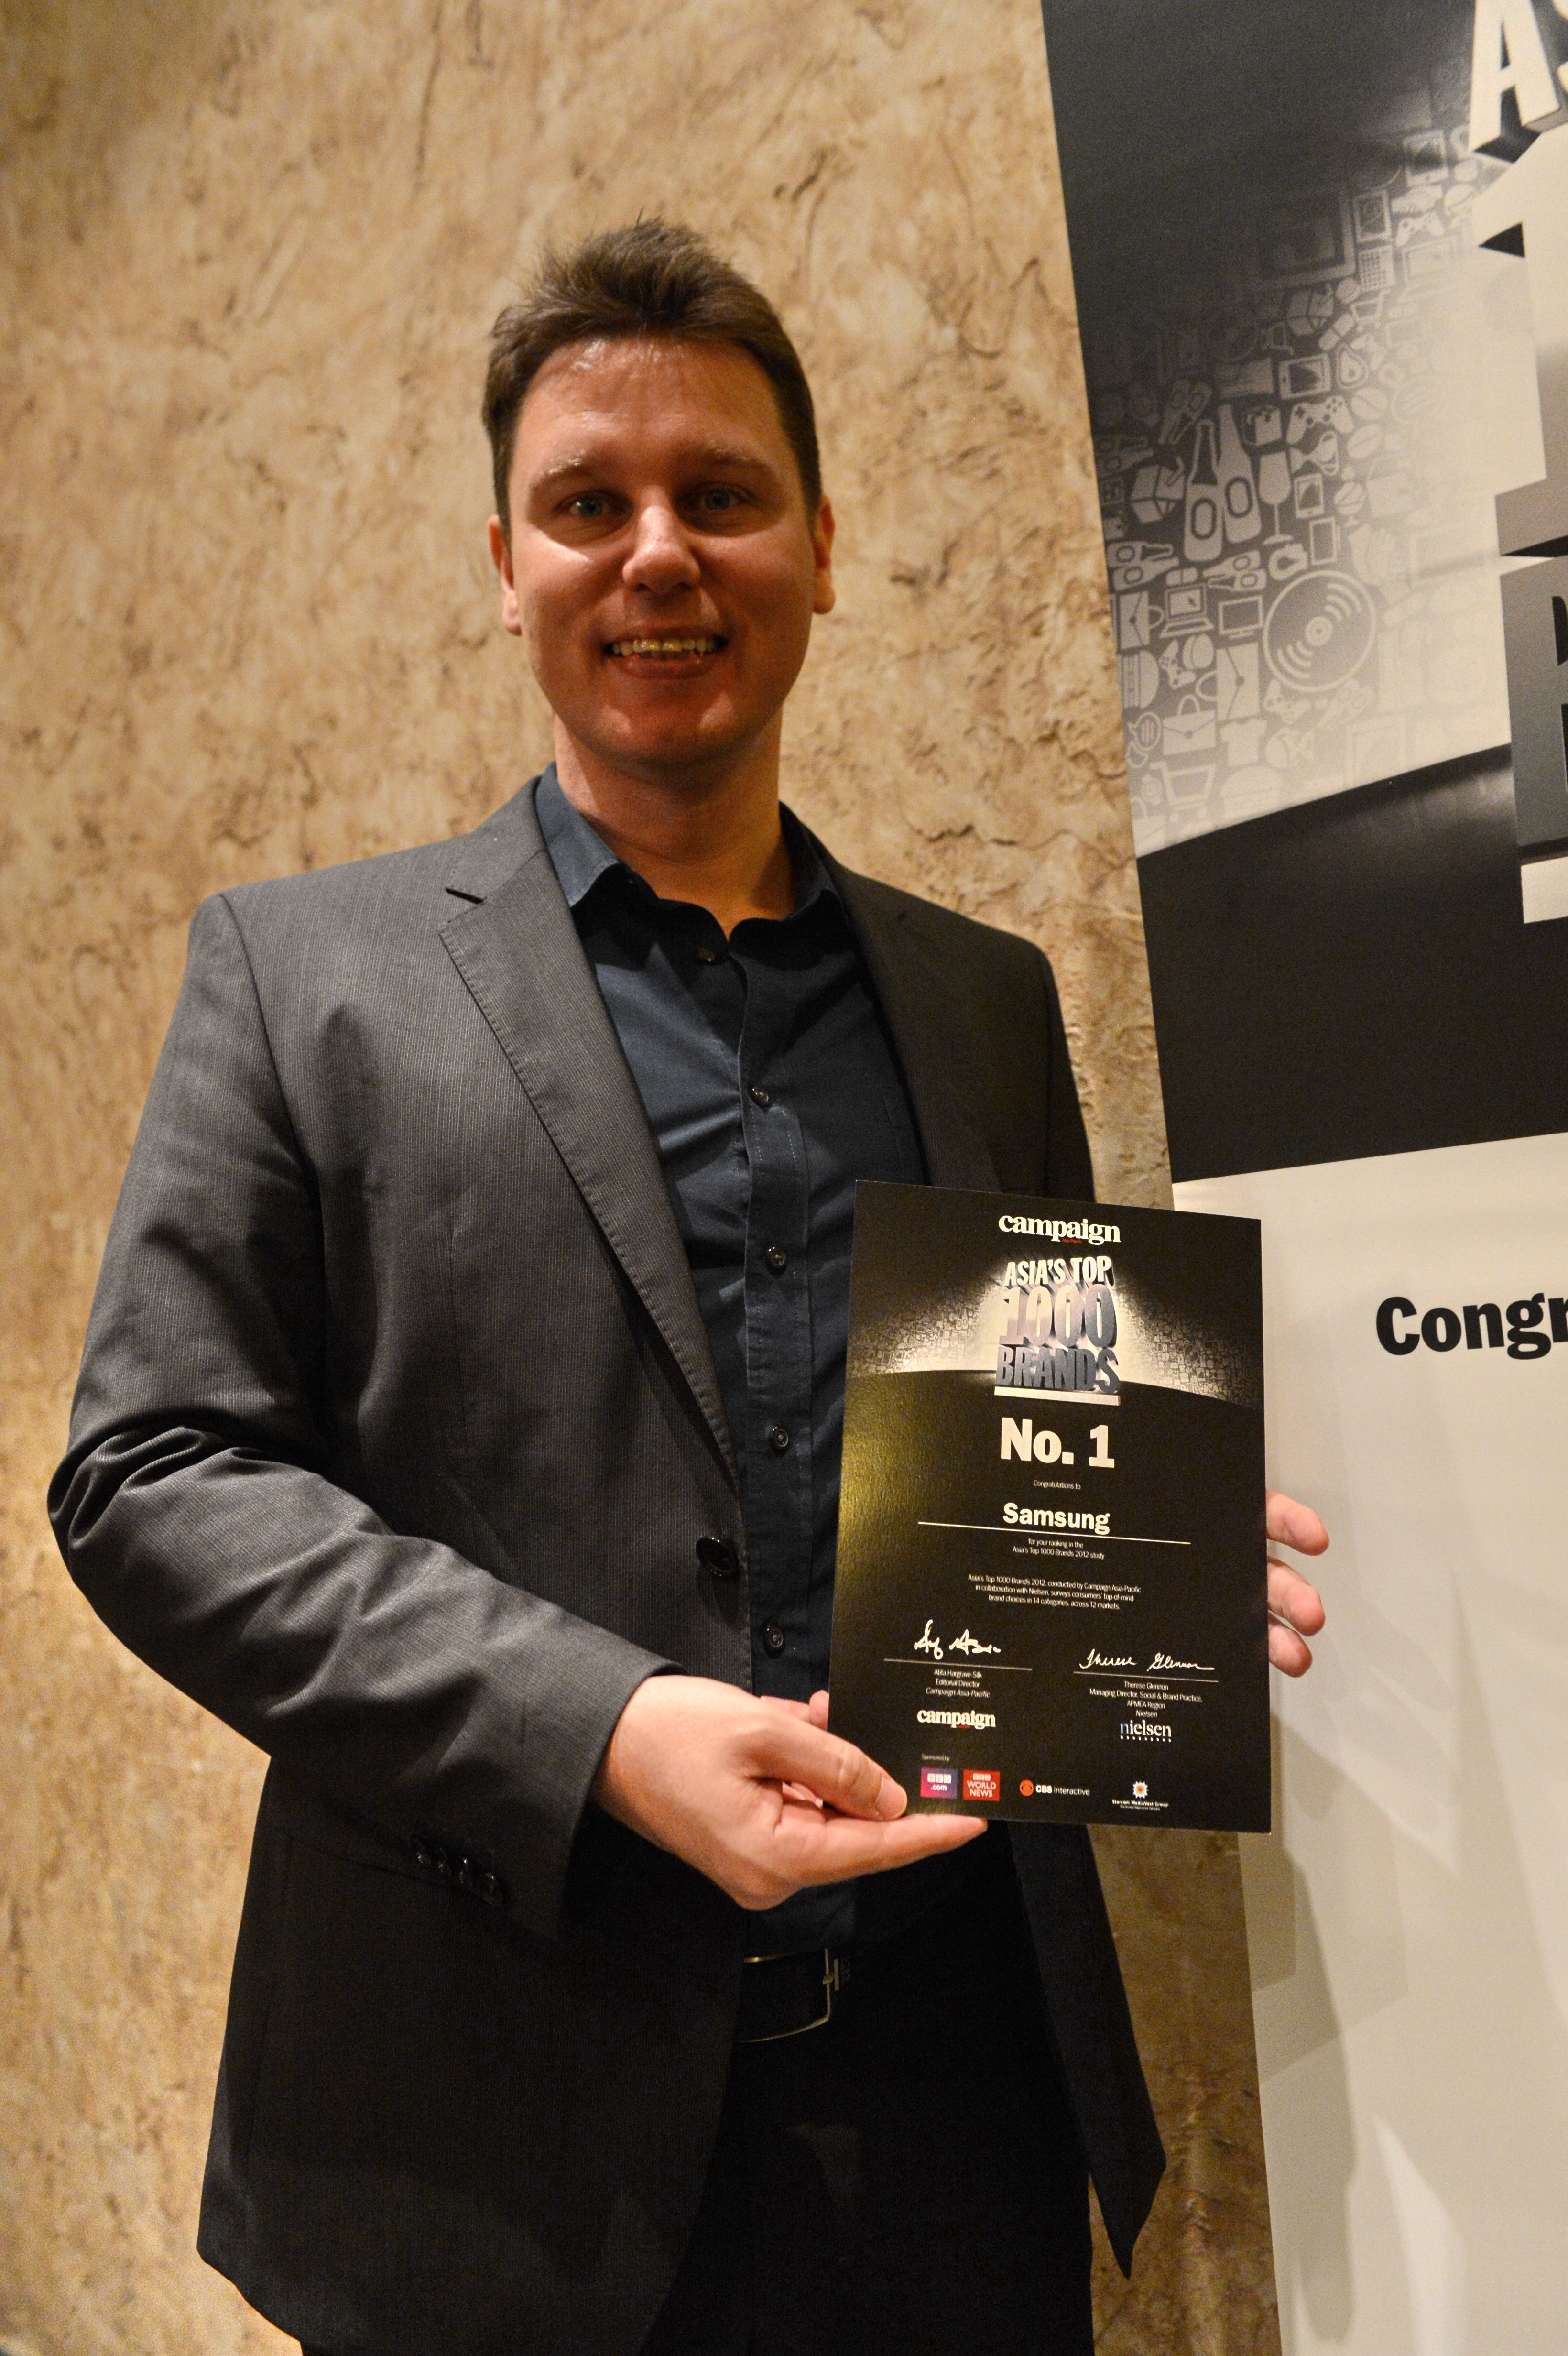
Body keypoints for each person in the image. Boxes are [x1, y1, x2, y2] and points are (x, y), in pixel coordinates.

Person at [50, 220, 1327, 2356]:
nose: (659, 552)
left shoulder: (982, 998)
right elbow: (149, 1474)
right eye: (589, 504)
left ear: (820, 545)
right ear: (508, 565)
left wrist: (1151, 1574)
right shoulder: (302, 974)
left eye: (720, 493)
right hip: (486, 2138)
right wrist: (607, 1730)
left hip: (955, 2110)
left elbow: (1032, 1435)